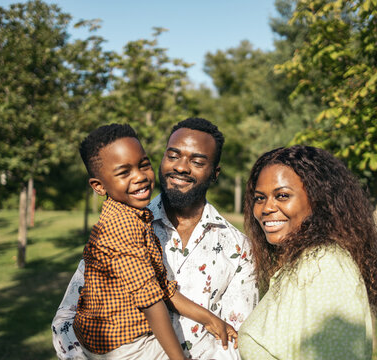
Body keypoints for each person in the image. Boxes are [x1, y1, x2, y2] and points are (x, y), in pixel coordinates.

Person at [52, 118, 258, 360]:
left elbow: (234, 342)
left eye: (197, 161)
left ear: (215, 173)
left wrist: (208, 318)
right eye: (173, 156)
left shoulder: (239, 249)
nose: (181, 167)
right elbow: (66, 319)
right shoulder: (119, 228)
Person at [238, 145, 377, 360]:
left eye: (282, 195)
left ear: (318, 200)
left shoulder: (324, 265)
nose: (266, 208)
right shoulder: (305, 261)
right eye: (260, 198)